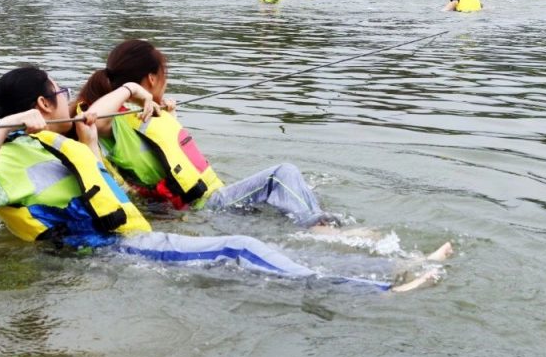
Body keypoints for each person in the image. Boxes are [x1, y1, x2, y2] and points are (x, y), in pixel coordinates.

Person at [0, 66, 448, 291]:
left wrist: (140, 101)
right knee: (239, 248)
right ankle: (375, 286)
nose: (65, 95)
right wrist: (1, 132)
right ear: (41, 104)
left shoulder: (66, 140)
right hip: (105, 253)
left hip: (126, 240)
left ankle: (387, 264)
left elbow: (96, 162)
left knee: (250, 246)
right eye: (56, 90)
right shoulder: (6, 157)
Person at [74, 40, 353, 229]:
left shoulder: (142, 115)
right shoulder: (116, 122)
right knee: (282, 174)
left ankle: (319, 221)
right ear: (152, 78)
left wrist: (165, 113)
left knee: (300, 189)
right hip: (208, 205)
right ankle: (320, 227)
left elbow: (170, 154)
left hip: (210, 202)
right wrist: (132, 90)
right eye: (165, 73)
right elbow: (90, 121)